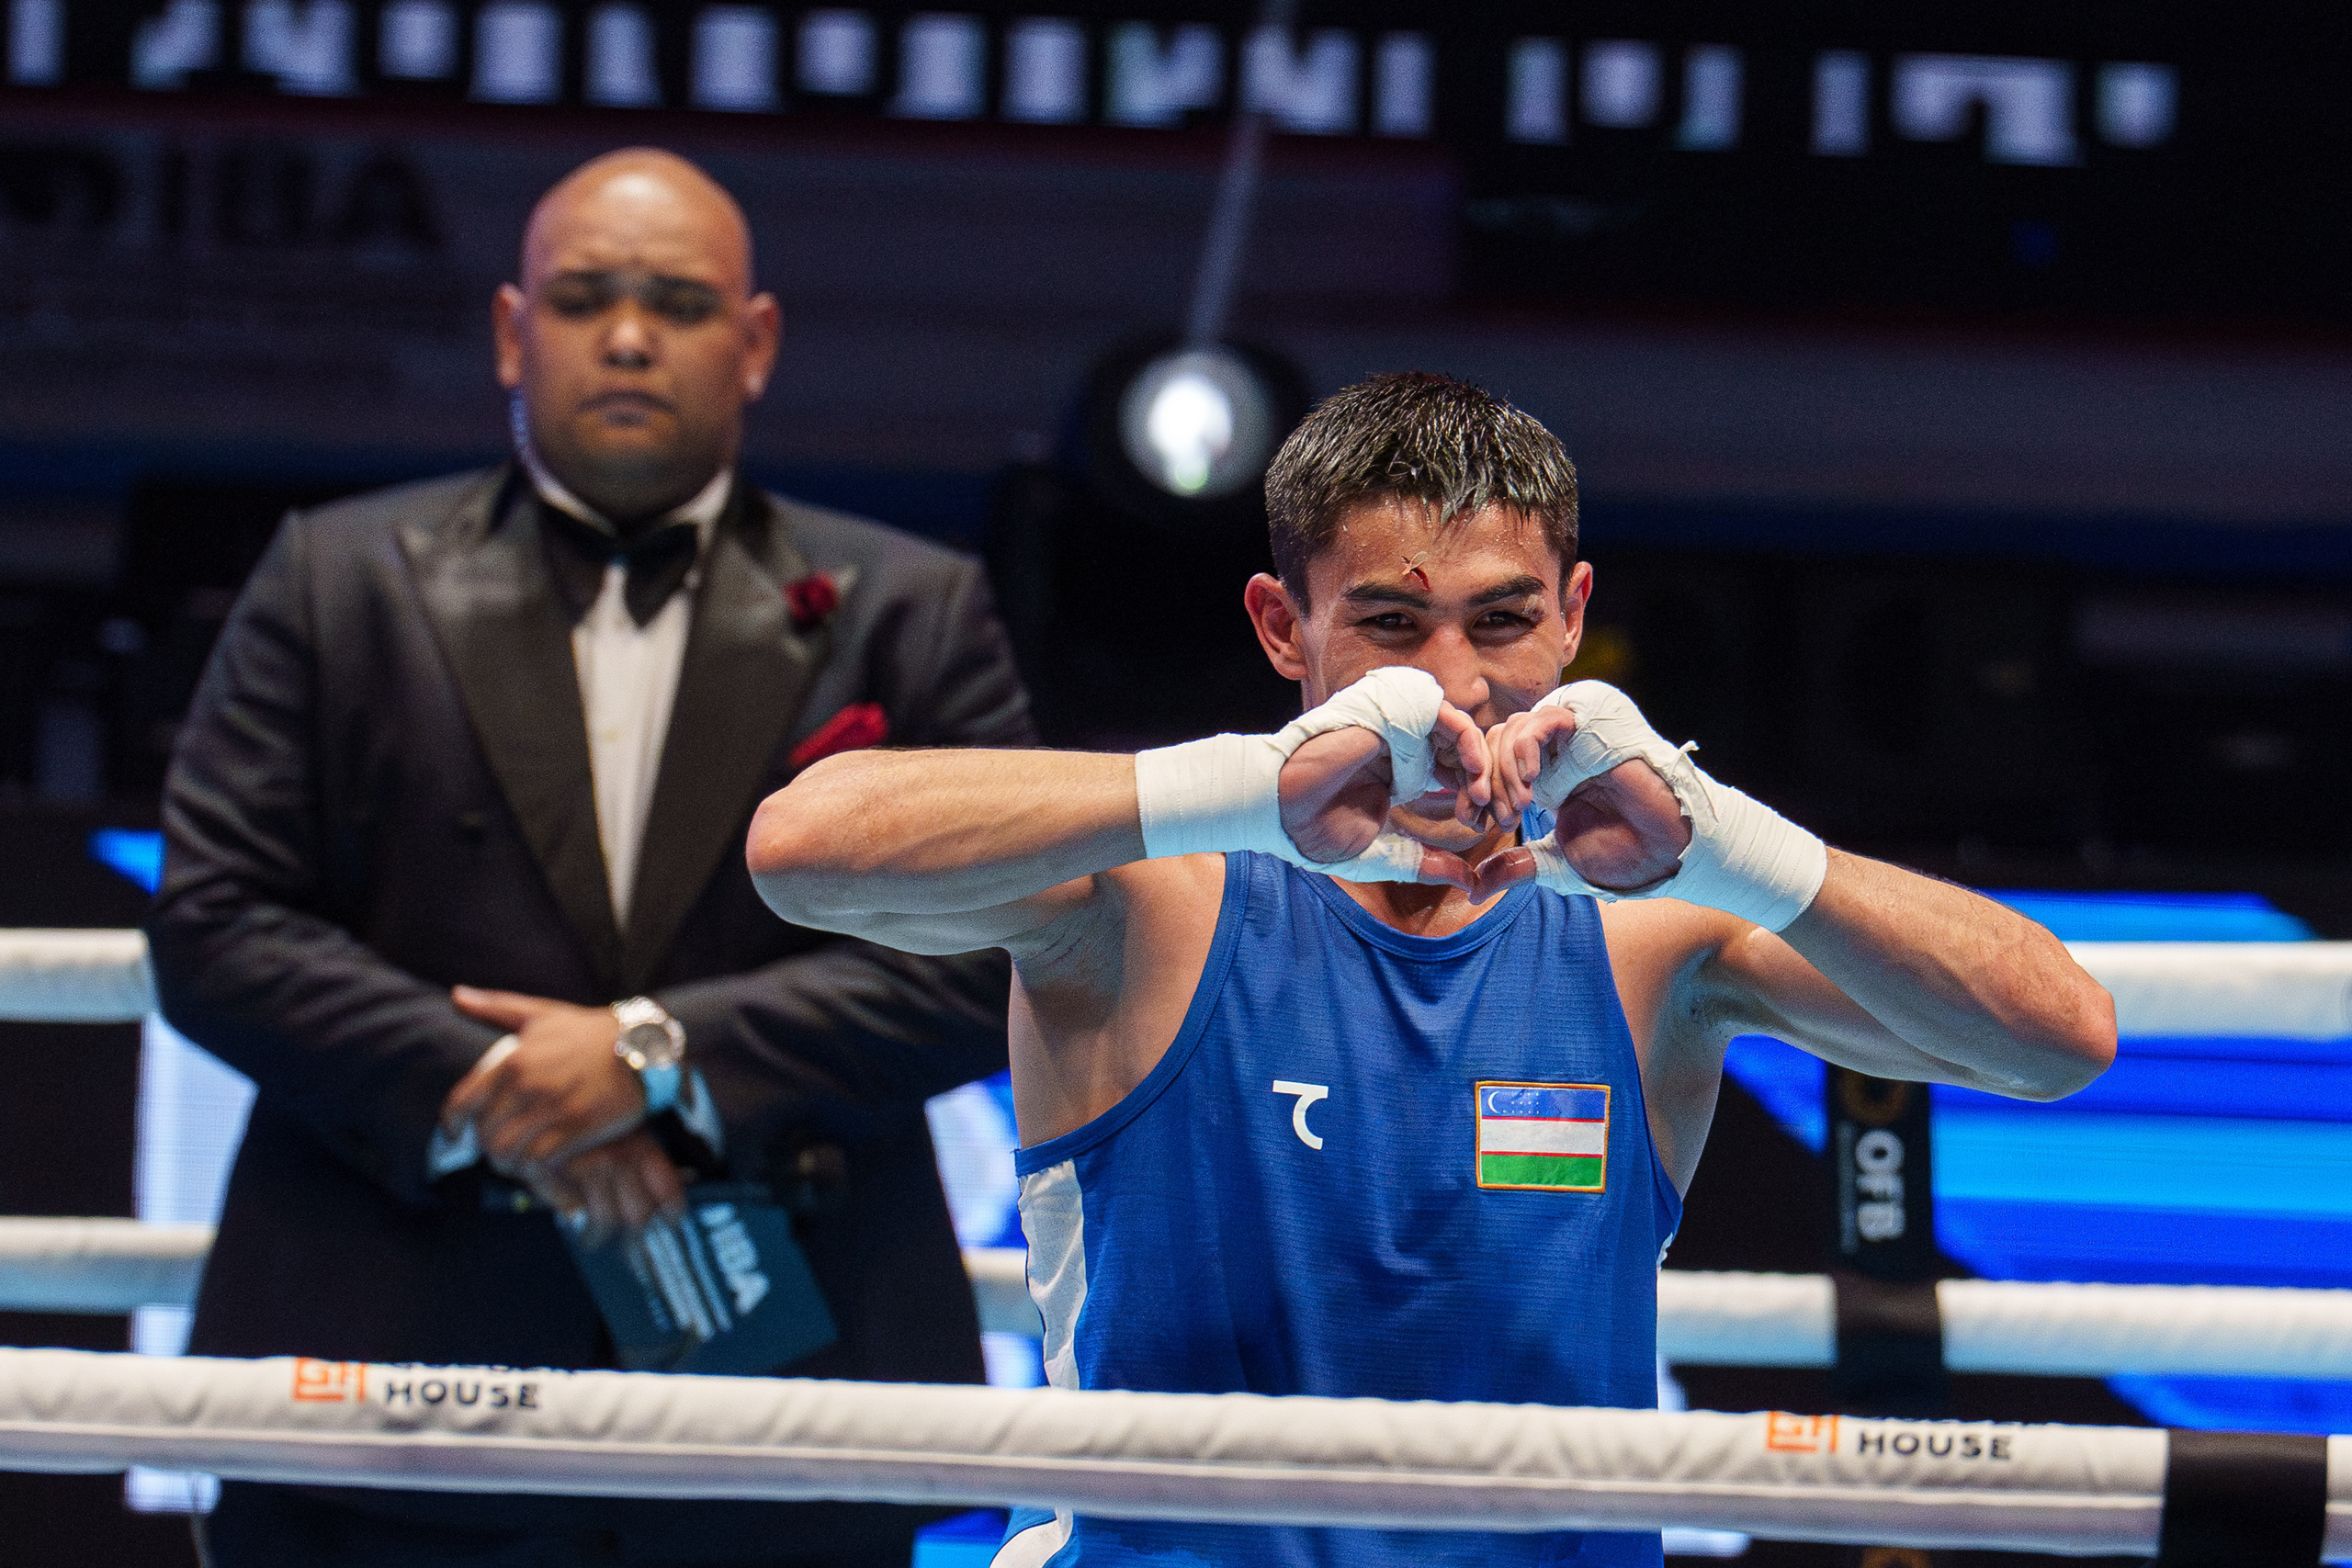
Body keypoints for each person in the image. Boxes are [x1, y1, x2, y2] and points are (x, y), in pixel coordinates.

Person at [746, 373, 2117, 1568]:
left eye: (1502, 620)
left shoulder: (1658, 929)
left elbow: (2059, 1037)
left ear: (1577, 616)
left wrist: (1734, 842)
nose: (1456, 682)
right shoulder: (1156, 895)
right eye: (1393, 626)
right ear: (1286, 628)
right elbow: (802, 849)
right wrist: (1244, 787)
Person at [146, 148, 1034, 1567]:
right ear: (513, 329)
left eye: (678, 301)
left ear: (754, 346)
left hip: (779, 1384)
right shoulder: (335, 577)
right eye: (585, 297)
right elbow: (214, 924)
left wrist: (654, 1054)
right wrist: (501, 1082)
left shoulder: (912, 612)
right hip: (386, 1364)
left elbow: (992, 955)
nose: (628, 334)